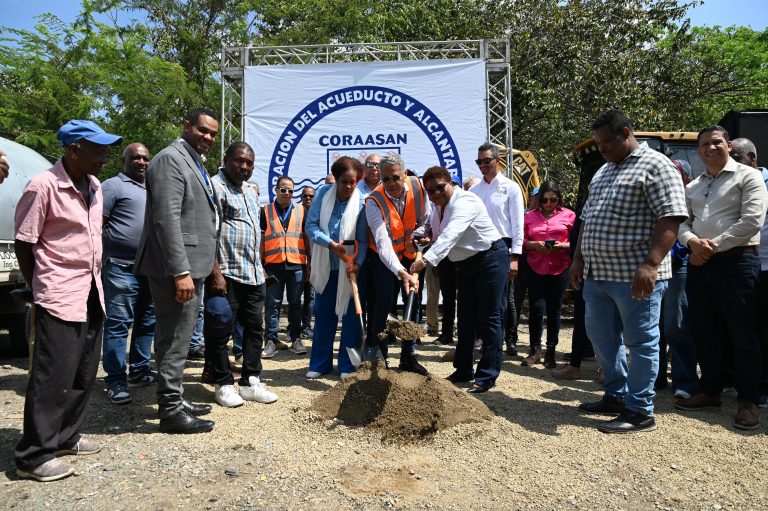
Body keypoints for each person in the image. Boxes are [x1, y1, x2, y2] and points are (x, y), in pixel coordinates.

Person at [14, 120, 122, 482]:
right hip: (59, 293)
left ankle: (64, 437)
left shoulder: (93, 186)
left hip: (92, 290)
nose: (105, 157)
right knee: (51, 375)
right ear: (74, 150)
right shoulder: (43, 185)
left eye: (107, 149)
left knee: (83, 372)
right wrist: (39, 286)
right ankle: (33, 456)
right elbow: (25, 242)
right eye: (98, 149)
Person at [570, 109, 687, 434]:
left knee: (641, 343)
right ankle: (615, 395)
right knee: (601, 338)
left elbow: (671, 217)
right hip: (598, 275)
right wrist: (578, 260)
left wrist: (651, 264)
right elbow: (588, 219)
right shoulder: (605, 170)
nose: (602, 148)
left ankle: (640, 411)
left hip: (635, 277)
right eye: (598, 143)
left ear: (625, 134)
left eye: (606, 141)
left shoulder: (657, 166)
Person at [675, 126, 768, 430]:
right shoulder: (693, 187)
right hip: (701, 264)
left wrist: (709, 247)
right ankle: (710, 390)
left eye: (716, 143)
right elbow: (681, 223)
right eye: (704, 144)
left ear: (727, 144)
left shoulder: (748, 176)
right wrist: (692, 242)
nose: (710, 148)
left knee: (742, 333)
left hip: (737, 262)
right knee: (704, 329)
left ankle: (749, 400)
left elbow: (752, 221)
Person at [135, 107, 219, 434]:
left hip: (189, 266)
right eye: (203, 130)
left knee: (180, 336)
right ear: (186, 126)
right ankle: (170, 410)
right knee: (173, 337)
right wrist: (180, 270)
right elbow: (166, 220)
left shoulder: (191, 159)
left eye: (213, 133)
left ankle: (176, 397)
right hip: (175, 268)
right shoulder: (170, 159)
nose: (209, 137)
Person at [411, 166, 509, 392]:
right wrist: (425, 237)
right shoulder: (437, 207)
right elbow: (435, 232)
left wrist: (425, 260)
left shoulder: (466, 201)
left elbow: (451, 234)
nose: (435, 193)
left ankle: (486, 376)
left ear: (450, 184)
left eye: (439, 187)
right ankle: (464, 369)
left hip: (490, 259)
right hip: (465, 264)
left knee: (489, 318)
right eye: (430, 190)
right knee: (464, 319)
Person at [205, 141, 278, 407]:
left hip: (254, 273)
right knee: (220, 329)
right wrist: (215, 272)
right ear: (226, 159)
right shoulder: (214, 186)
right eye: (239, 160)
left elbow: (253, 232)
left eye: (249, 163)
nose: (244, 167)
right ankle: (223, 383)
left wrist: (262, 267)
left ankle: (250, 382)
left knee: (254, 330)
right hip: (227, 272)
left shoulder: (250, 190)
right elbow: (209, 232)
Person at [101, 143, 156, 405]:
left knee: (147, 323)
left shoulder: (153, 187)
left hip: (151, 269)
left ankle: (140, 371)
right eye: (136, 157)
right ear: (125, 160)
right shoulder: (112, 186)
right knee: (118, 325)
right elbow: (96, 225)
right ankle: (114, 381)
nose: (142, 162)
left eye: (146, 158)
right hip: (120, 267)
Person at [364, 153, 429, 374]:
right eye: (385, 179)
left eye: (395, 178)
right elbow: (383, 244)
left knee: (414, 299)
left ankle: (408, 355)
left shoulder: (419, 188)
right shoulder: (373, 201)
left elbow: (424, 220)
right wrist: (401, 272)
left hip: (411, 252)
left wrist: (419, 238)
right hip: (383, 258)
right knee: (383, 301)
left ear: (404, 173)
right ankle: (378, 355)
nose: (391, 184)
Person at [305, 157, 368, 378]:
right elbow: (310, 226)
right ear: (336, 180)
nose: (349, 187)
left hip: (349, 269)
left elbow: (363, 239)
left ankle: (347, 366)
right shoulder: (323, 194)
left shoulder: (362, 200)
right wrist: (330, 244)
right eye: (344, 182)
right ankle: (320, 364)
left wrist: (357, 263)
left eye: (353, 182)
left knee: (351, 319)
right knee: (324, 316)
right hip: (326, 267)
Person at [469, 143, 524, 357]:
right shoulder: (474, 191)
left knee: (501, 300)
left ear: (497, 161)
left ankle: (498, 344)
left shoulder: (511, 187)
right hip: (479, 248)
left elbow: (518, 225)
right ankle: (486, 341)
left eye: (486, 161)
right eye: (479, 161)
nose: (482, 165)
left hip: (503, 246)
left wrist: (515, 257)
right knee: (481, 300)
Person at [520, 180, 575, 368]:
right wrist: (534, 245)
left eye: (553, 200)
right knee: (536, 309)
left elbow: (576, 242)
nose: (549, 204)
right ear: (539, 199)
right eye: (545, 200)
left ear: (559, 199)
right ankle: (535, 350)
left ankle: (551, 351)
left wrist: (563, 246)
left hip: (561, 267)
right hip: (536, 266)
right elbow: (521, 242)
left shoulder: (569, 215)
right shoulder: (529, 217)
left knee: (555, 310)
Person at [730, 137, 768, 408]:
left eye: (739, 160)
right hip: (739, 265)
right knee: (743, 328)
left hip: (765, 265)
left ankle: (760, 389)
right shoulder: (729, 183)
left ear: (753, 158)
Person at [261, 175, 309, 357]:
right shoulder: (264, 211)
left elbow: (307, 239)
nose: (287, 193)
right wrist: (261, 265)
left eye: (290, 190)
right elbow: (260, 240)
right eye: (283, 190)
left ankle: (295, 338)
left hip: (297, 265)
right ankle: (271, 341)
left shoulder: (301, 210)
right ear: (276, 190)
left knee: (296, 304)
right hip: (273, 266)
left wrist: (309, 263)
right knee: (272, 305)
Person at [300, 185, 316, 339]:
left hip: (312, 261)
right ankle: (294, 328)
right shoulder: (295, 214)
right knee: (295, 297)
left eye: (311, 196)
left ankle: (306, 326)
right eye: (305, 196)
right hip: (297, 261)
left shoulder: (317, 214)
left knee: (310, 297)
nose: (308, 199)